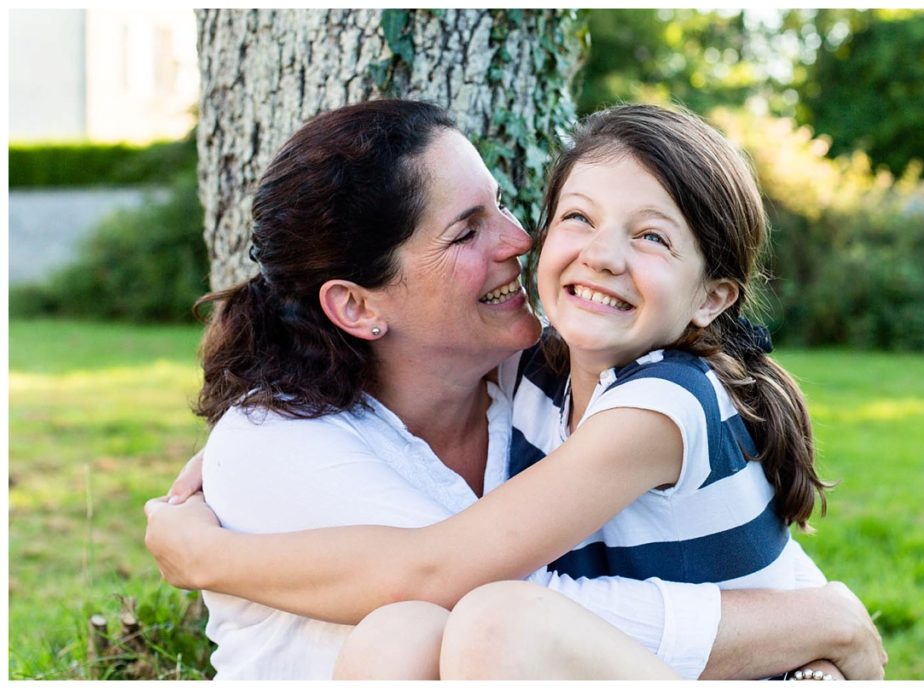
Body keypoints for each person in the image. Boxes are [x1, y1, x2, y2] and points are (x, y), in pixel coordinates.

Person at [144, 99, 886, 680]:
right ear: (358, 306)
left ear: (712, 296)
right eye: (467, 231)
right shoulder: (540, 376)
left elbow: (458, 582)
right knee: (406, 634)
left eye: (652, 236)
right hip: (649, 656)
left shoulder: (627, 392)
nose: (519, 241)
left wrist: (203, 555)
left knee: (495, 620)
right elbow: (439, 581)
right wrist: (229, 466)